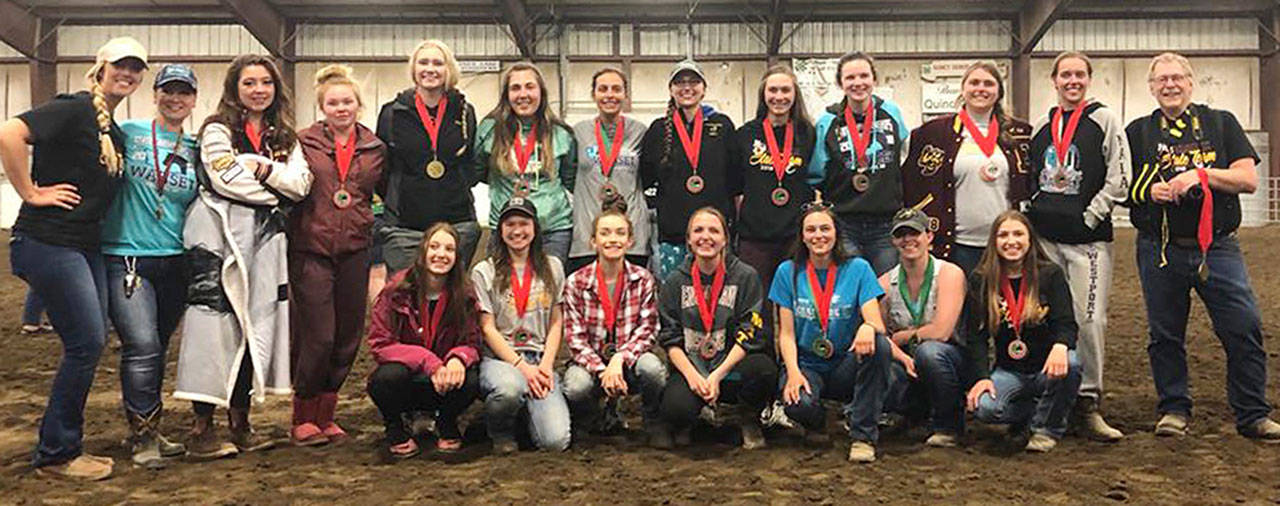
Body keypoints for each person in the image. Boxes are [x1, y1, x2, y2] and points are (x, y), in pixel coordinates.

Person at [0, 36, 146, 481]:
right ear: (100, 67)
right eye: (120, 65)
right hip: (48, 240)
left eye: (136, 68)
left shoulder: (114, 132)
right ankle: (57, 452)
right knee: (85, 343)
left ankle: (62, 445)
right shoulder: (73, 107)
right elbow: (9, 132)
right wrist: (30, 192)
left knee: (89, 340)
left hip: (84, 245)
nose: (128, 73)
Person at [1126, 52, 1280, 441]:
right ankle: (1174, 409)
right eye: (1162, 80)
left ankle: (1252, 414)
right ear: (1152, 87)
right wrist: (1150, 191)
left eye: (1177, 77)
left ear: (1192, 82)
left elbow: (1248, 180)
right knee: (1164, 334)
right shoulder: (1137, 132)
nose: (1170, 85)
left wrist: (1201, 175)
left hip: (1218, 247)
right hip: (1159, 248)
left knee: (1243, 327)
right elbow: (1121, 187)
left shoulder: (1221, 123)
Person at [175, 54, 313, 460]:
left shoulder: (285, 135)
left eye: (265, 83)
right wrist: (277, 193)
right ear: (235, 88)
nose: (258, 90)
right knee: (210, 327)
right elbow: (224, 178)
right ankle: (202, 427)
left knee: (256, 327)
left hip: (264, 240)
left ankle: (241, 422)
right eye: (249, 83)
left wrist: (264, 169)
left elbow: (302, 183)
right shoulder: (217, 129)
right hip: (216, 235)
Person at [100, 63, 200, 468]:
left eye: (184, 92)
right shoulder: (129, 134)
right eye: (168, 90)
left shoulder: (195, 148)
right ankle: (143, 437)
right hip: (127, 256)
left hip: (175, 260)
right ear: (154, 93)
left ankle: (149, 429)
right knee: (141, 345)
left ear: (194, 99)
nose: (175, 99)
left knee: (156, 349)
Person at [1025, 51, 1129, 442]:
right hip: (1046, 241)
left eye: (1079, 74)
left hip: (1088, 243)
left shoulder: (1104, 119)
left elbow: (1120, 176)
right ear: (1053, 80)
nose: (1072, 81)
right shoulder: (1041, 124)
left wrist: (1088, 215)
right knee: (1045, 315)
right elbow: (1033, 173)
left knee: (1090, 320)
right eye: (1065, 74)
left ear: (1088, 79)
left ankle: (1088, 400)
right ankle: (1051, 395)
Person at [289, 64, 386, 446]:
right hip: (311, 248)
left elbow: (381, 193)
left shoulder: (375, 148)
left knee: (348, 335)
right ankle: (302, 414)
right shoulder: (302, 142)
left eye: (347, 101)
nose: (341, 108)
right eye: (333, 102)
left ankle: (327, 416)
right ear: (322, 106)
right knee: (319, 335)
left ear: (359, 105)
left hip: (355, 249)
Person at [771, 201, 890, 462]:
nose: (818, 236)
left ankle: (862, 436)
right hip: (807, 365)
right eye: (811, 230)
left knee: (879, 344)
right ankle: (818, 422)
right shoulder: (786, 272)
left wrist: (868, 327)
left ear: (837, 233)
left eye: (825, 228)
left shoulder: (858, 268)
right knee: (796, 403)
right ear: (802, 236)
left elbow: (876, 322)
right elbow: (786, 333)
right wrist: (792, 372)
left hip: (845, 364)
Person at [658, 207, 775, 450]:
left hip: (731, 368)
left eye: (714, 230)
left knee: (764, 370)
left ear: (725, 239)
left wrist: (717, 375)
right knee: (675, 409)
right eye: (698, 230)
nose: (706, 237)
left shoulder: (745, 276)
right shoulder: (674, 281)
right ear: (689, 239)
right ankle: (697, 418)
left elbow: (750, 333)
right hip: (692, 367)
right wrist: (693, 377)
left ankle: (748, 418)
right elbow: (670, 338)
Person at [964, 211, 1081, 453]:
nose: (1011, 241)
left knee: (1072, 363)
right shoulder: (982, 279)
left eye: (1018, 234)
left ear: (1030, 239)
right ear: (994, 242)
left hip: (1046, 370)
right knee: (984, 408)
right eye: (1003, 235)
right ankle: (1035, 412)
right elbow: (976, 336)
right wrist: (982, 377)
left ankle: (1046, 429)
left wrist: (1060, 346)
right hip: (1009, 371)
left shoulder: (1051, 274)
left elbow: (1067, 323)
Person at [901, 61, 1033, 274]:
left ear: (999, 91)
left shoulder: (1020, 133)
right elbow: (910, 183)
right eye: (974, 82)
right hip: (955, 245)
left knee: (1001, 306)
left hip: (1005, 246)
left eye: (988, 83)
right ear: (963, 89)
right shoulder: (931, 134)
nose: (981, 88)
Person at [367, 223, 482, 457]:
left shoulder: (465, 294)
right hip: (407, 379)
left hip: (444, 384)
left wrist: (458, 359)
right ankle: (396, 428)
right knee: (383, 379)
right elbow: (380, 343)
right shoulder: (395, 290)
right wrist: (428, 361)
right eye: (435, 247)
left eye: (449, 249)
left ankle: (447, 422)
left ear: (457, 256)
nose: (441, 254)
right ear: (423, 251)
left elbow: (473, 342)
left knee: (471, 379)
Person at [562, 196, 667, 444]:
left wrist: (620, 359)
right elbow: (575, 340)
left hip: (628, 361)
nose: (613, 239)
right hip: (591, 364)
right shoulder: (575, 282)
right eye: (605, 233)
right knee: (576, 386)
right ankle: (592, 419)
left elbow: (648, 330)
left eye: (620, 233)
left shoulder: (643, 279)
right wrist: (603, 370)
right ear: (593, 241)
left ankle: (652, 420)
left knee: (653, 369)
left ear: (630, 241)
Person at [472, 196, 571, 453]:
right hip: (501, 360)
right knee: (508, 389)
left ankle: (526, 417)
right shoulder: (484, 271)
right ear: (500, 230)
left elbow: (556, 321)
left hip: (540, 359)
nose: (517, 231)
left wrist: (546, 365)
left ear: (535, 228)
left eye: (524, 223)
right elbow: (487, 328)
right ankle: (500, 432)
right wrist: (523, 369)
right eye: (510, 224)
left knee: (555, 441)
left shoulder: (553, 267)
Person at [376, 39, 481, 273]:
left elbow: (469, 163)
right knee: (403, 299)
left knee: (452, 300)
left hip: (456, 222)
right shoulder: (392, 112)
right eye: (423, 62)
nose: (430, 69)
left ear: (448, 69)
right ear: (414, 69)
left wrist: (457, 186)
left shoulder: (464, 111)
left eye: (438, 63)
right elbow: (384, 168)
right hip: (405, 226)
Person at [807, 51, 910, 275]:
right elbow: (817, 172)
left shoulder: (891, 113)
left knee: (885, 289)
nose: (858, 83)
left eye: (864, 76)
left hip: (885, 223)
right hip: (844, 224)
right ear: (840, 83)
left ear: (874, 79)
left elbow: (904, 156)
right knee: (851, 289)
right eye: (850, 78)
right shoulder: (827, 120)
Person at [640, 59, 742, 282]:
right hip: (674, 235)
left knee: (717, 295)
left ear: (704, 89)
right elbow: (646, 179)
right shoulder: (658, 130)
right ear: (671, 89)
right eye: (680, 82)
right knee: (676, 297)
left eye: (694, 81)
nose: (687, 87)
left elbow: (736, 180)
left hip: (714, 235)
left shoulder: (722, 125)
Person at [878, 208, 967, 448]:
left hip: (949, 358)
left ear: (929, 236)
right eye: (901, 235)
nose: (908, 240)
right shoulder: (885, 284)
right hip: (906, 360)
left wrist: (904, 336)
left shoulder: (949, 274)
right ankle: (911, 416)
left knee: (930, 352)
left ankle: (949, 425)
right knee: (880, 364)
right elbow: (881, 335)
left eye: (914, 233)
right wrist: (900, 354)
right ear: (893, 241)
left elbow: (942, 332)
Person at [735, 64, 816, 327]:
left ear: (795, 95)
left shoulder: (807, 133)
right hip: (754, 236)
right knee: (759, 305)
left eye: (785, 90)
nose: (779, 96)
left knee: (796, 301)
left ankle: (795, 359)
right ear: (763, 94)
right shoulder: (746, 134)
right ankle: (763, 360)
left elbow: (815, 181)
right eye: (773, 90)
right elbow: (736, 187)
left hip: (794, 236)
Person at [477, 63, 577, 265]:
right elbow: (478, 170)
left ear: (541, 92)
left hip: (553, 230)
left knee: (549, 292)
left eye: (530, 87)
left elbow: (569, 178)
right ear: (506, 95)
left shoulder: (561, 132)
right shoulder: (489, 130)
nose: (523, 94)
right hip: (506, 229)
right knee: (503, 293)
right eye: (515, 88)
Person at [567, 67, 650, 274]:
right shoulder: (578, 132)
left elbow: (649, 174)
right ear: (593, 94)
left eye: (616, 89)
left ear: (625, 94)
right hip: (588, 236)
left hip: (630, 236)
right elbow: (567, 176)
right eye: (603, 89)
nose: (610, 95)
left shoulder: (640, 132)